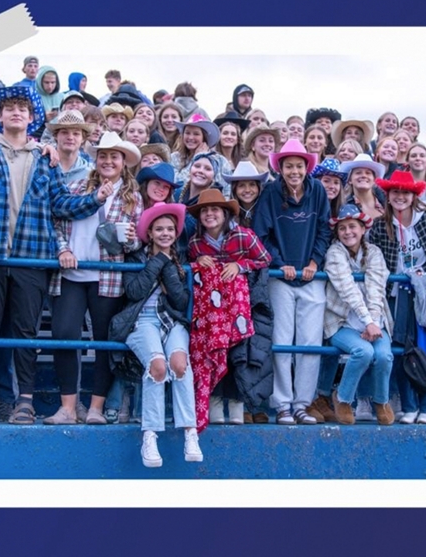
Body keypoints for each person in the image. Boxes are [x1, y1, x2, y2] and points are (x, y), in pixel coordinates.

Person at [0, 85, 113, 425]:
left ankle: (25, 401)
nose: (16, 112)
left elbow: (61, 204)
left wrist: (95, 198)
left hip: (32, 257)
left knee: (25, 333)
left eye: (23, 107)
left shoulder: (43, 158)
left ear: (32, 117)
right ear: (0, 116)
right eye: (9, 108)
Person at [46, 133, 142, 425]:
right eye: (103, 155)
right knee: (64, 336)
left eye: (114, 156)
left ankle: (96, 407)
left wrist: (129, 241)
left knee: (104, 342)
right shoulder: (74, 186)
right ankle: (68, 408)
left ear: (123, 162)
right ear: (96, 159)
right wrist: (62, 249)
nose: (108, 161)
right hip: (71, 274)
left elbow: (138, 241)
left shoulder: (131, 197)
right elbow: (56, 221)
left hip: (108, 276)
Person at [108, 202, 202, 468]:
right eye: (158, 229)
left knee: (179, 364)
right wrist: (160, 260)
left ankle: (190, 432)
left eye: (170, 229)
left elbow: (182, 301)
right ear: (149, 233)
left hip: (171, 322)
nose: (164, 233)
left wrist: (170, 269)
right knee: (158, 367)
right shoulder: (137, 257)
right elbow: (135, 292)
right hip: (141, 322)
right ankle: (150, 435)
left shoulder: (181, 260)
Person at [252, 139, 331, 425]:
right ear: (280, 167)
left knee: (310, 343)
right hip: (281, 276)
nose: (294, 170)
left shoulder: (318, 191)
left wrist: (314, 262)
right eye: (289, 166)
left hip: (311, 276)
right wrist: (278, 263)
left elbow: (324, 229)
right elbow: (261, 234)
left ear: (306, 167)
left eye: (299, 165)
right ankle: (283, 404)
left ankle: (303, 404)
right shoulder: (271, 193)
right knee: (282, 342)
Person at [369, 171, 426, 424]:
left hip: (425, 294)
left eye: (405, 192)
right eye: (395, 192)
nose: (400, 197)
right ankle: (408, 406)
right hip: (395, 294)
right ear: (388, 195)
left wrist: (422, 273)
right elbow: (375, 259)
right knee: (400, 351)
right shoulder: (380, 224)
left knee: (424, 349)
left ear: (413, 195)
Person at [187, 189, 271, 430]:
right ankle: (214, 401)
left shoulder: (244, 235)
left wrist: (240, 264)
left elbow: (265, 260)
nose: (209, 214)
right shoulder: (195, 242)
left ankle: (236, 402)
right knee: (212, 350)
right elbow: (189, 266)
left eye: (214, 210)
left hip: (240, 307)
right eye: (205, 211)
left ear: (225, 214)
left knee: (237, 352)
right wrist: (196, 263)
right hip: (211, 313)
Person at [324, 205, 395, 425]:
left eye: (352, 226)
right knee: (363, 352)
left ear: (363, 229)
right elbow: (347, 290)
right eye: (342, 228)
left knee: (384, 356)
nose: (348, 232)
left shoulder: (374, 252)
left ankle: (381, 401)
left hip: (374, 320)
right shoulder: (335, 253)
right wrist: (367, 322)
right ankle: (343, 398)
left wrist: (372, 323)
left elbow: (376, 288)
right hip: (341, 321)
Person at [49, 110, 94, 184]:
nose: (70, 137)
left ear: (83, 138)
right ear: (56, 135)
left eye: (76, 133)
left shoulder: (89, 173)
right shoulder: (43, 164)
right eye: (64, 132)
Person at [341, 153, 386, 221]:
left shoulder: (386, 202)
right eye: (358, 173)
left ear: (374, 180)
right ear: (350, 180)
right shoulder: (345, 207)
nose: (364, 176)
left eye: (368, 173)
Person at [224, 160, 269, 229]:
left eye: (252, 184)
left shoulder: (268, 212)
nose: (247, 190)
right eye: (241, 185)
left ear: (259, 188)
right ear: (234, 189)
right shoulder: (228, 215)